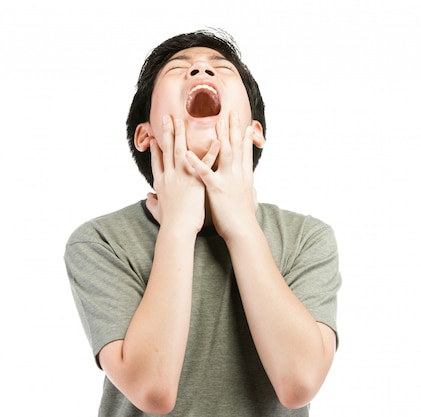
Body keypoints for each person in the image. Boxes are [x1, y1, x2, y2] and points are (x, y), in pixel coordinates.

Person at [64, 28, 341, 416]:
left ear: (254, 132)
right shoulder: (101, 241)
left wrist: (240, 225)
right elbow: (152, 392)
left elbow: (298, 384)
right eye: (180, 68)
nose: (200, 72)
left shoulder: (305, 238)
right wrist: (178, 226)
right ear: (145, 134)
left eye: (220, 68)